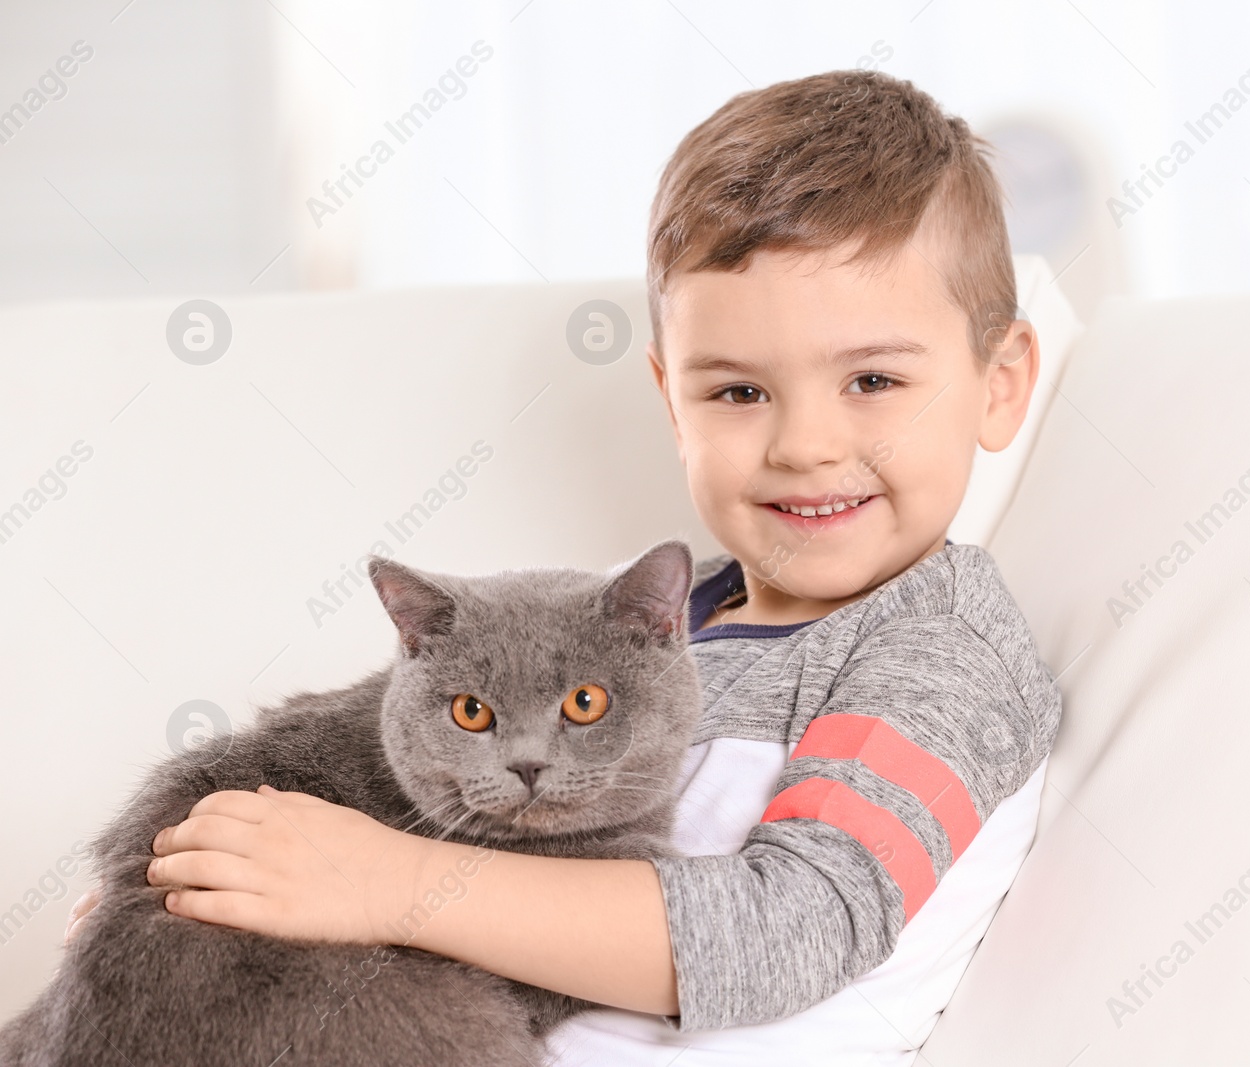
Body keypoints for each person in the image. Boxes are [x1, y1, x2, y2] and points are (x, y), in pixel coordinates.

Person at [71, 68, 1065, 1065]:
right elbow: (368, 771)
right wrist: (193, 898)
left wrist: (387, 881)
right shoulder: (628, 614)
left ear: (999, 382)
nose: (804, 442)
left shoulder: (935, 644)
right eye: (736, 392)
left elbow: (786, 929)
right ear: (671, 397)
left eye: (873, 379)